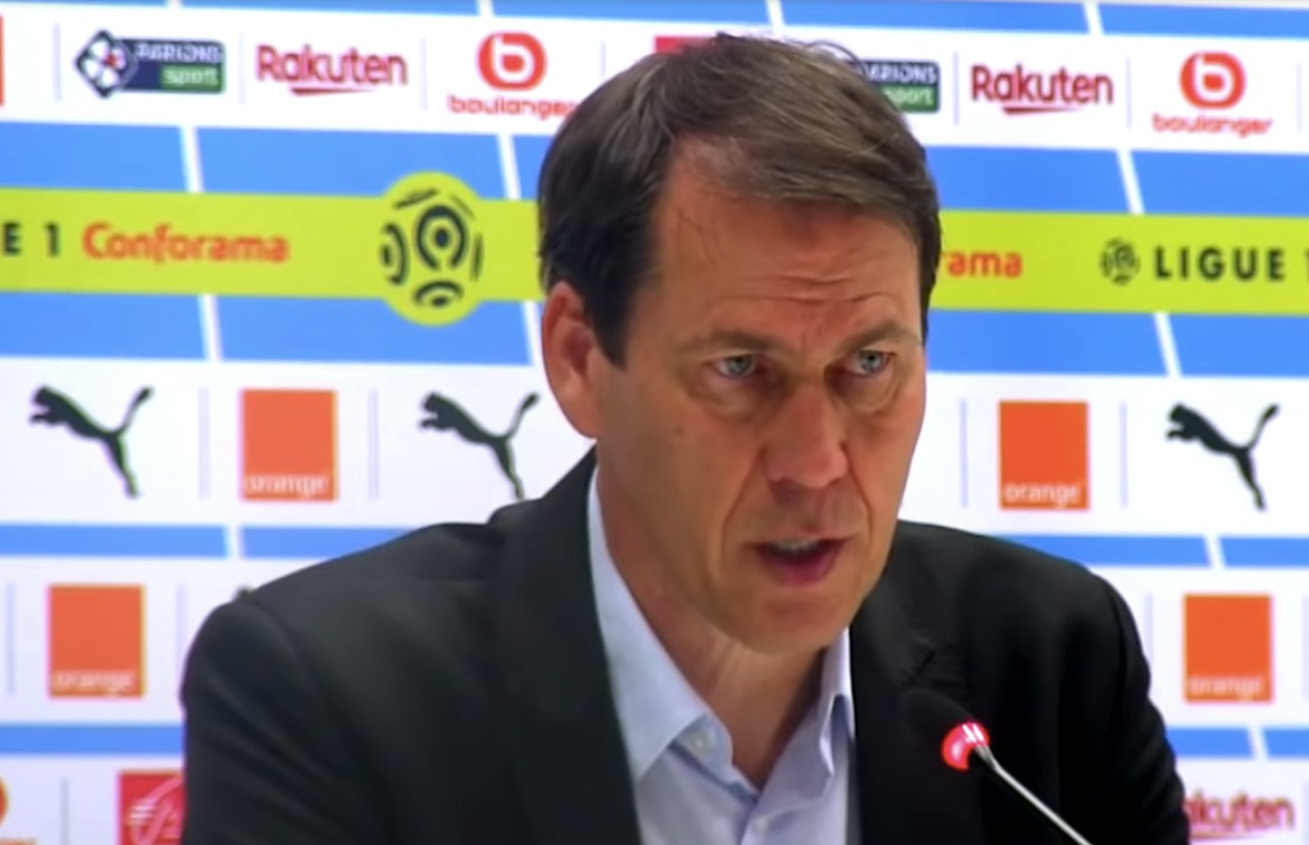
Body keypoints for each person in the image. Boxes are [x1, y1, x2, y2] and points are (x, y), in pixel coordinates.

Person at [179, 34, 1189, 844]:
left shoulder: (1052, 671)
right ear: (580, 358)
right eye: (741, 369)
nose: (816, 462)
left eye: (869, 365)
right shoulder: (328, 695)